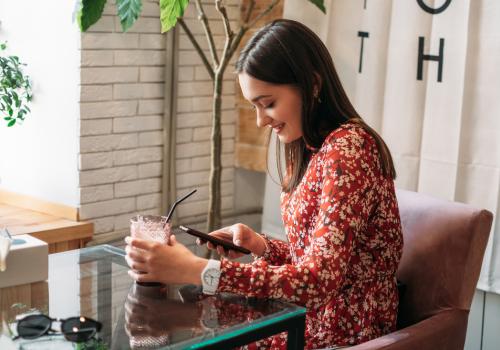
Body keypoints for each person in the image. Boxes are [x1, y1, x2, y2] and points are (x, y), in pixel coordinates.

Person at [125, 19, 403, 349]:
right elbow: (319, 261)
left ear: (312, 84)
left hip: (343, 331)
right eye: (255, 106)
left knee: (195, 328)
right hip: (309, 315)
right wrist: (261, 246)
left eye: (268, 103)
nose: (261, 121)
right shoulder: (310, 147)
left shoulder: (349, 151)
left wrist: (200, 270)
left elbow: (319, 282)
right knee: (186, 321)